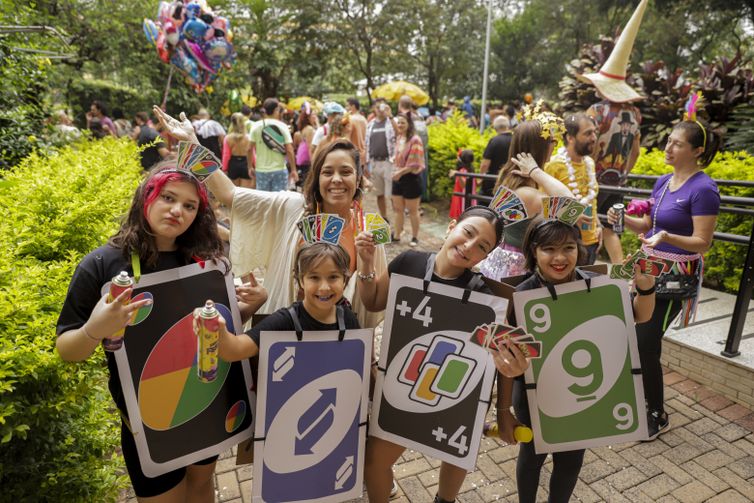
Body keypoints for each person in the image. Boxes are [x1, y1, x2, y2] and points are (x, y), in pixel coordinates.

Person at [55, 165, 268, 502]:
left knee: (201, 488)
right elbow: (67, 349)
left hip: (203, 404)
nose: (176, 211)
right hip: (149, 424)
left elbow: (210, 331)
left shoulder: (205, 260)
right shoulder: (102, 264)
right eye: (168, 198)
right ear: (146, 196)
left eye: (189, 205)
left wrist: (248, 308)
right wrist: (95, 329)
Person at [153, 103, 387, 329]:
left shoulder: (367, 231)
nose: (336, 180)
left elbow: (372, 304)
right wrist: (191, 142)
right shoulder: (293, 207)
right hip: (286, 335)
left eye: (345, 172)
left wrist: (366, 263)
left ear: (358, 179)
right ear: (317, 178)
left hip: (342, 343)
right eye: (328, 172)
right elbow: (229, 194)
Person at [355, 205, 529, 503]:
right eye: (468, 232)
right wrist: (366, 263)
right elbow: (373, 302)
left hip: (457, 397)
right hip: (402, 391)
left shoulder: (486, 298)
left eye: (482, 246)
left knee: (456, 454)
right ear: (452, 226)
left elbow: (503, 361)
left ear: (485, 258)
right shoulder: (409, 262)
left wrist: (503, 409)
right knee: (374, 463)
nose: (469, 246)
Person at [500, 218, 655, 503]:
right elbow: (507, 360)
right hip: (535, 396)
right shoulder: (522, 295)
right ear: (534, 251)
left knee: (571, 461)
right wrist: (504, 408)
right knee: (532, 456)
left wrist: (645, 288)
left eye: (568, 248)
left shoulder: (596, 284)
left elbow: (639, 316)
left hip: (582, 396)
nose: (559, 258)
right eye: (549, 249)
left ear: (579, 249)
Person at [607, 118, 721, 440]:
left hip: (675, 280)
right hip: (648, 271)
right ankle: (639, 398)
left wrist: (669, 236)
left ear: (697, 151)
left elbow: (703, 242)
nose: (668, 148)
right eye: (668, 141)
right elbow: (648, 226)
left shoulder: (703, 189)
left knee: (645, 341)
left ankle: (656, 413)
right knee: (633, 334)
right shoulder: (662, 182)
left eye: (677, 144)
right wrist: (623, 219)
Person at [581, 0, 649, 266]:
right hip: (618, 181)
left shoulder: (595, 111)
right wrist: (624, 172)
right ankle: (622, 271)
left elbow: (591, 146)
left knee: (586, 225)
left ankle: (584, 271)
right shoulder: (635, 114)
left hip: (594, 180)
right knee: (612, 228)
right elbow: (635, 150)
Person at [217, 242, 360, 362]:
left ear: (344, 280)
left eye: (333, 277)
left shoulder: (348, 319)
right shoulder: (284, 321)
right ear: (301, 281)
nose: (324, 287)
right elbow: (234, 350)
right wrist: (216, 327)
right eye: (314, 277)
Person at [479, 119, 572, 281]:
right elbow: (571, 206)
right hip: (518, 276)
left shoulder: (511, 181)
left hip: (502, 269)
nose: (555, 145)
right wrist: (536, 171)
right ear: (539, 147)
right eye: (552, 141)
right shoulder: (528, 194)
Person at [544, 113, 602, 265]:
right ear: (570, 138)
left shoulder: (589, 163)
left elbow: (590, 199)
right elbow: (544, 207)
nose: (594, 138)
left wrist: (598, 225)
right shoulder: (554, 166)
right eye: (588, 133)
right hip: (565, 245)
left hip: (591, 241)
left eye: (594, 132)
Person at [391, 112, 425, 246]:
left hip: (411, 178)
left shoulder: (415, 139)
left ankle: (415, 237)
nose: (400, 125)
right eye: (398, 122)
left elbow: (415, 163)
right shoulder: (399, 137)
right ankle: (397, 234)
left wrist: (400, 172)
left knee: (413, 210)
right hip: (398, 177)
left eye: (403, 122)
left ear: (409, 124)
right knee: (398, 209)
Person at [250, 98, 298, 191]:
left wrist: (250, 166)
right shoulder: (282, 126)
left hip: (261, 170)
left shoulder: (255, 126)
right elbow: (289, 150)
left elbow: (249, 149)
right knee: (279, 201)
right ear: (276, 110)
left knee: (263, 200)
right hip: (279, 170)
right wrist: (293, 169)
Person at [365, 100, 397, 221]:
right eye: (377, 107)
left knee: (392, 195)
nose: (380, 109)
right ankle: (384, 218)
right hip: (374, 163)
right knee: (379, 194)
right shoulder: (370, 124)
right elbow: (366, 144)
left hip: (389, 162)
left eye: (382, 106)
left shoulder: (392, 121)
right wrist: (366, 163)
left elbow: (399, 134)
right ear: (374, 108)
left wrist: (391, 115)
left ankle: (397, 218)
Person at [480, 116, 513, 196]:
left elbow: (485, 164)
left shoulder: (494, 141)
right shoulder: (515, 139)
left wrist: (479, 178)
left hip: (493, 182)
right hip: (511, 181)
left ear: (495, 128)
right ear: (507, 126)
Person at [225, 112, 254, 188]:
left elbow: (226, 155)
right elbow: (252, 153)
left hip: (233, 164)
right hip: (246, 163)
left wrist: (224, 168)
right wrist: (253, 165)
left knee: (234, 193)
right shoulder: (249, 137)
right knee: (245, 193)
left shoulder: (228, 138)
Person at [294, 102, 318, 188]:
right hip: (307, 159)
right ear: (308, 117)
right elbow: (310, 147)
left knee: (305, 182)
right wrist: (313, 163)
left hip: (302, 158)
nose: (315, 117)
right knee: (308, 183)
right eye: (313, 115)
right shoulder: (309, 129)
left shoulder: (305, 128)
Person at [448, 149, 476, 220]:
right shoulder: (471, 170)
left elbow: (464, 185)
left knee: (460, 218)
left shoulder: (462, 170)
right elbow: (476, 183)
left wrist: (458, 174)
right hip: (469, 197)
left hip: (461, 199)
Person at [347, 97, 368, 173]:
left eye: (347, 106)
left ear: (353, 106)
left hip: (353, 153)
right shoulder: (364, 119)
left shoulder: (350, 119)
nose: (346, 108)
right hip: (363, 154)